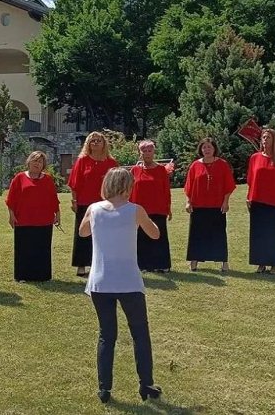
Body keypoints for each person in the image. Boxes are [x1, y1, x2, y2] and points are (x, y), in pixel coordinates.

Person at [79, 168, 163, 404]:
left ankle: (104, 389)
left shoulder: (94, 209)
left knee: (107, 335)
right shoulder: (135, 210)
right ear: (128, 187)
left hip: (101, 281)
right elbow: (155, 235)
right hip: (128, 281)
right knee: (140, 334)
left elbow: (83, 232)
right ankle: (146, 384)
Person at [69, 132, 118, 276]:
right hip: (85, 203)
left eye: (98, 141)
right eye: (92, 141)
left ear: (104, 144)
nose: (95, 143)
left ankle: (104, 264)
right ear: (88, 144)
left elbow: (118, 183)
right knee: (83, 234)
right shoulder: (82, 161)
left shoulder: (111, 163)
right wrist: (74, 200)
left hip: (107, 205)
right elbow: (74, 183)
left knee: (105, 234)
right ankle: (81, 265)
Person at [6, 151, 60, 282]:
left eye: (40, 161)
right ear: (28, 162)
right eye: (34, 160)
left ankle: (43, 276)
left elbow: (53, 198)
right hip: (24, 219)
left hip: (44, 220)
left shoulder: (47, 179)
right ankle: (22, 276)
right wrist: (11, 215)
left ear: (43, 165)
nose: (37, 163)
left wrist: (57, 214)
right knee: (24, 249)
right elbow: (11, 198)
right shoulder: (19, 178)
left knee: (43, 248)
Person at [184, 137, 236, 272]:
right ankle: (194, 261)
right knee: (197, 234)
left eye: (209, 147)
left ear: (214, 149)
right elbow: (189, 185)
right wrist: (188, 202)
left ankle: (223, 262)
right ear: (201, 149)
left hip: (216, 205)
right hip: (198, 206)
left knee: (218, 234)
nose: (207, 150)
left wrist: (226, 202)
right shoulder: (195, 165)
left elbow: (228, 185)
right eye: (204, 147)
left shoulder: (222, 164)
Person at [247, 128, 275, 274]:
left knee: (272, 234)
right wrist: (249, 197)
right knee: (258, 233)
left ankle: (273, 264)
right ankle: (260, 263)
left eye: (268, 137)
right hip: (257, 200)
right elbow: (250, 180)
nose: (265, 140)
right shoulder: (255, 158)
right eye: (263, 137)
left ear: (274, 140)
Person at [130, 140, 172, 273]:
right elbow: (129, 189)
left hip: (158, 208)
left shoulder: (161, 170)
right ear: (140, 153)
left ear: (154, 152)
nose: (147, 153)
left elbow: (166, 190)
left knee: (160, 236)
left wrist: (168, 208)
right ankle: (143, 265)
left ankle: (162, 264)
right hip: (139, 209)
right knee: (141, 237)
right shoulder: (135, 170)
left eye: (150, 151)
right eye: (144, 151)